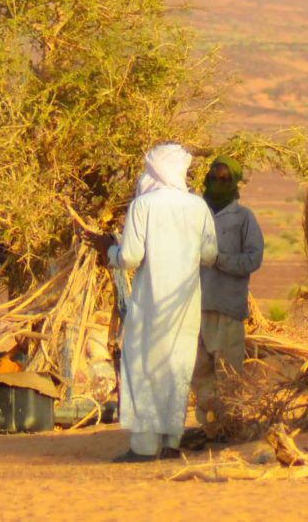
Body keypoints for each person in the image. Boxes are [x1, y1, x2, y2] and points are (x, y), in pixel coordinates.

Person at [87, 143, 218, 463]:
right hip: (185, 304)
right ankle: (171, 441)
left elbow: (130, 257)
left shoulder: (144, 205)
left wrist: (108, 250)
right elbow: (210, 256)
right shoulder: (198, 206)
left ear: (156, 170)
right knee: (177, 367)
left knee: (144, 367)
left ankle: (144, 446)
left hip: (151, 302)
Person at [192, 155, 264, 425]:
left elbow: (253, 259)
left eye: (225, 178)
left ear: (234, 181)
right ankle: (207, 427)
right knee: (200, 374)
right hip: (196, 307)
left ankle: (229, 426)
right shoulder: (196, 214)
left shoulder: (244, 218)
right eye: (214, 177)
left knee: (229, 372)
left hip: (228, 307)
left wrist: (219, 260)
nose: (218, 182)